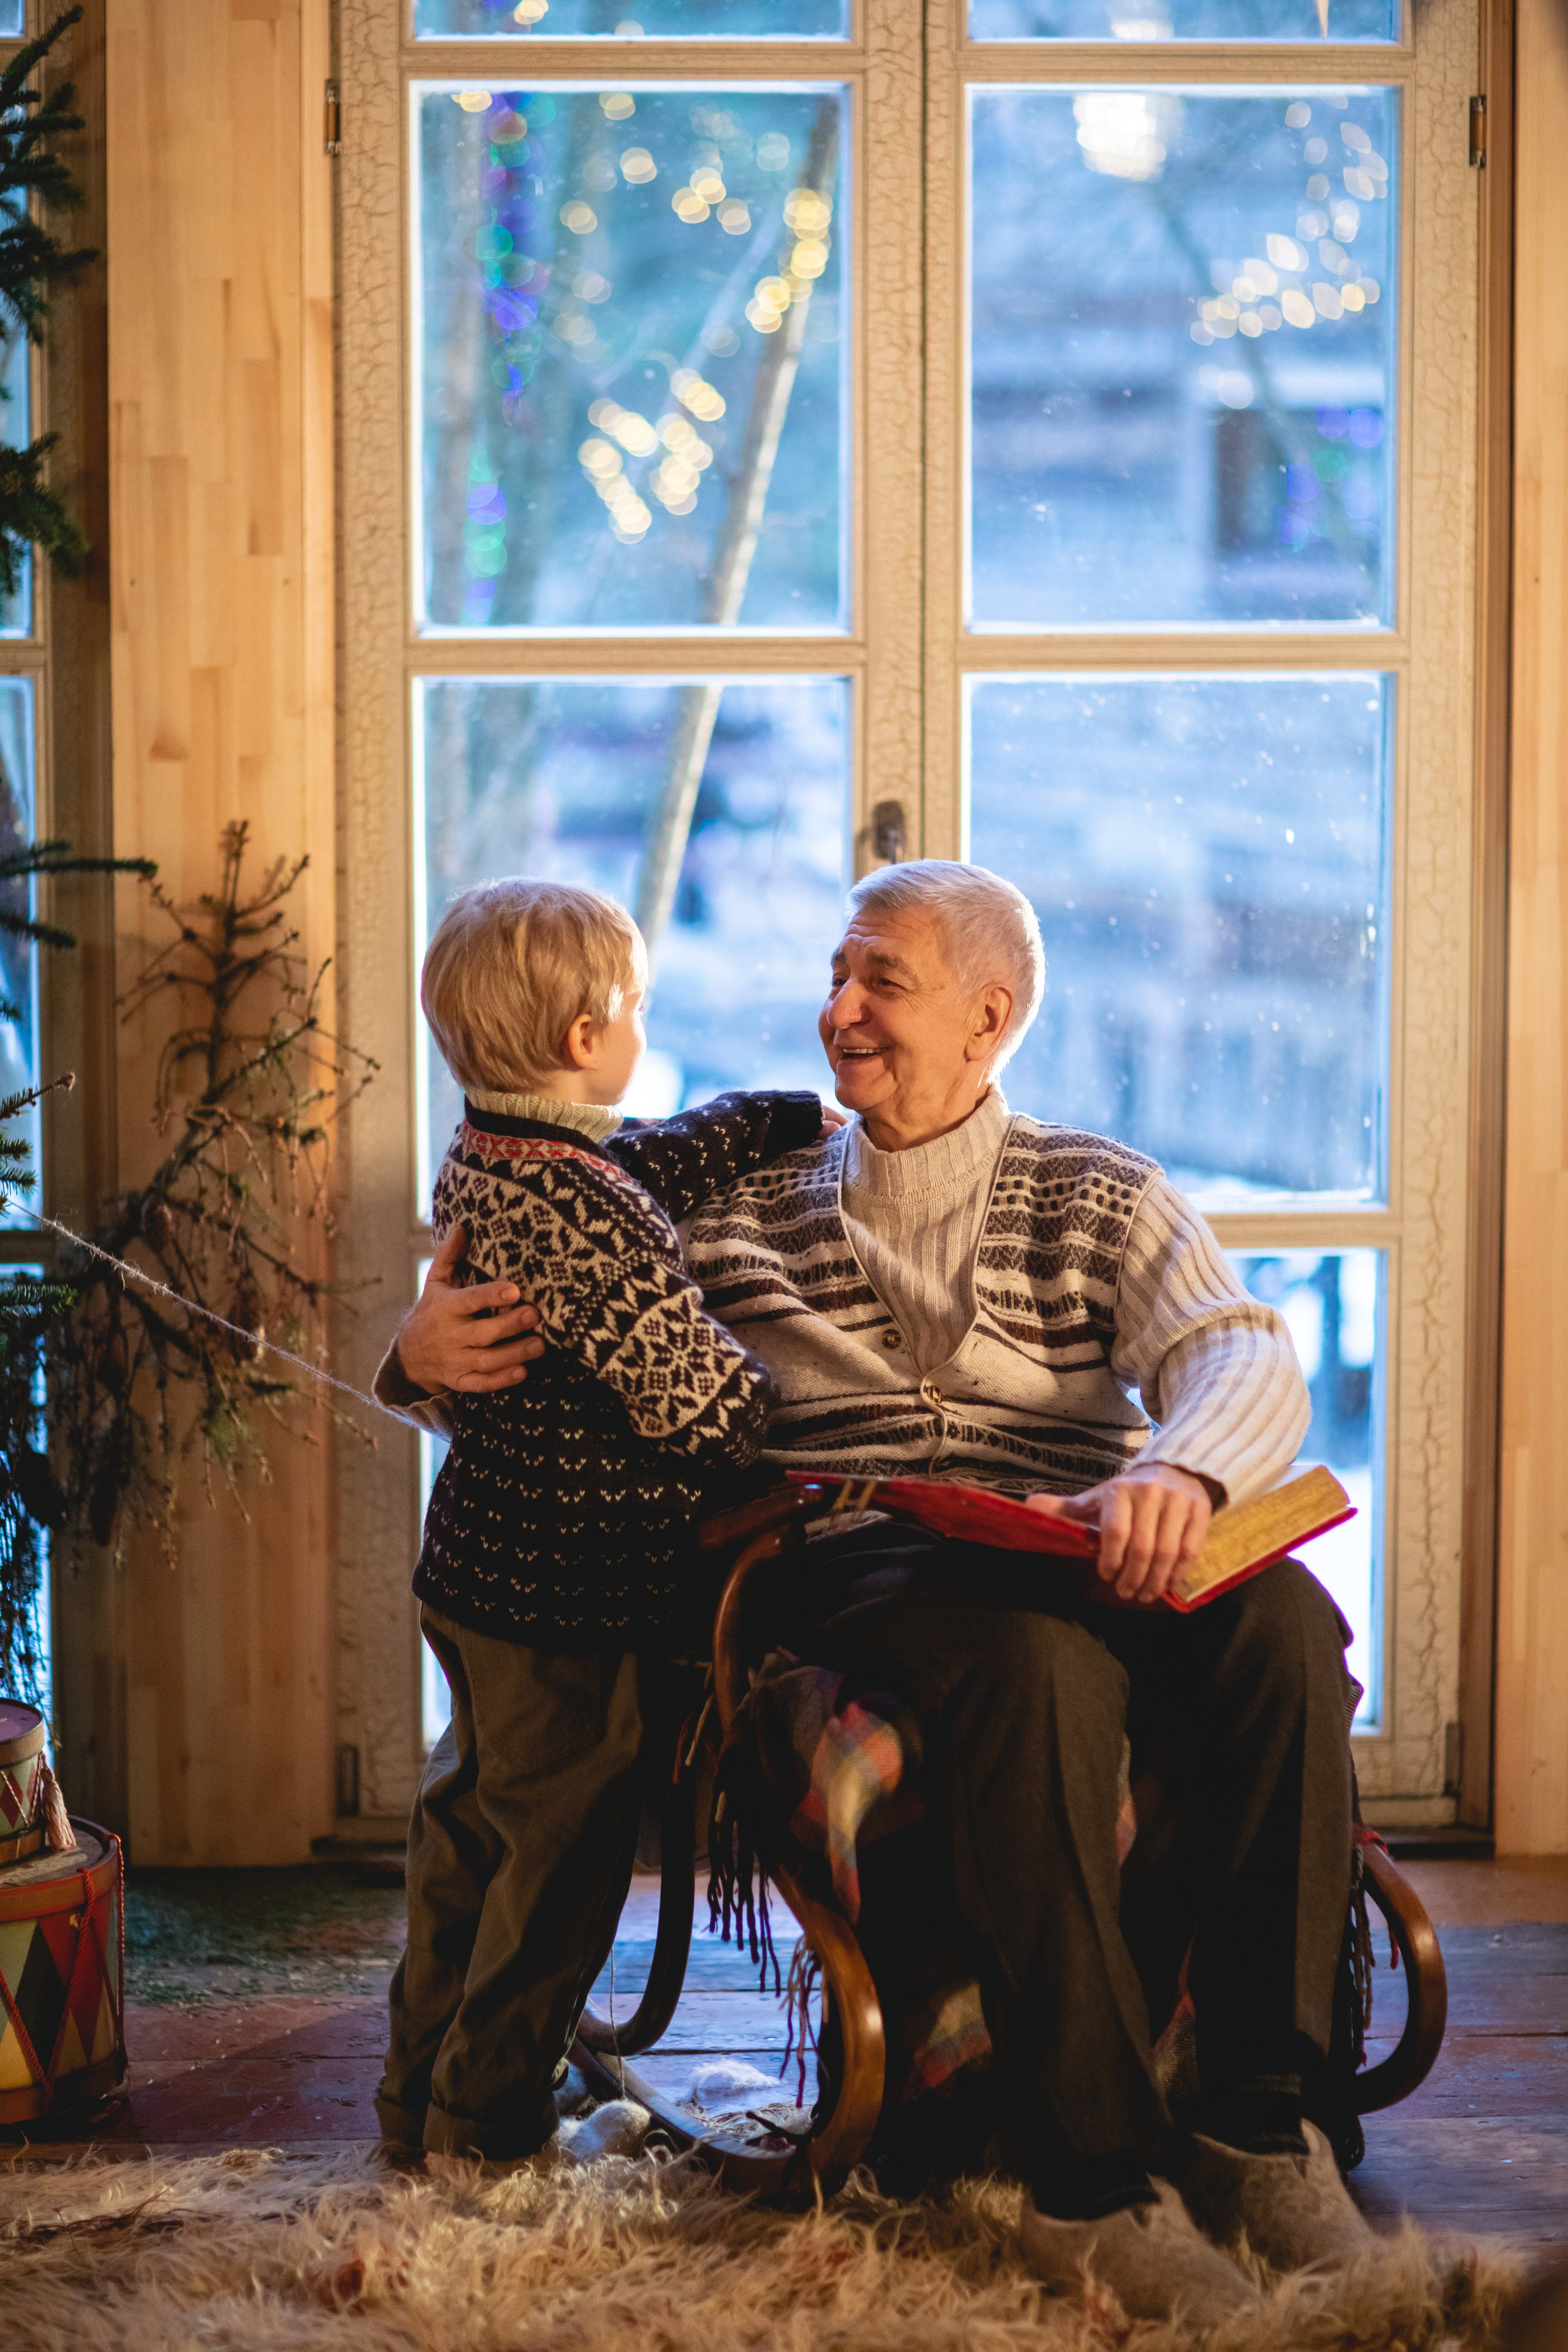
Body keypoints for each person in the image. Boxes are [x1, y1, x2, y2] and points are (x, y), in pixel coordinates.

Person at [380, 860, 1373, 2321]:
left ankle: (1257, 2118)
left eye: (878, 983)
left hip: (1089, 1528)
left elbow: (1234, 1349)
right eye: (835, 975)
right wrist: (416, 1356)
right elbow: (558, 1314)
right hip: (861, 1554)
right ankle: (1085, 2173)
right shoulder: (726, 1201)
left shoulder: (1095, 1190)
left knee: (1285, 1625)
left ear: (989, 1016)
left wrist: (1182, 1476)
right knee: (1033, 1663)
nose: (835, 1011)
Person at [374, 876, 826, 2162]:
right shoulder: (601, 1215)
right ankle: (494, 2123)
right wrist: (790, 1422)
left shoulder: (492, 1156)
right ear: (586, 1037)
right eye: (636, 1007)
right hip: (564, 1601)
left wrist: (768, 1116)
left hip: (470, 1572)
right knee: (559, 1869)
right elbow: (695, 1404)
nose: (642, 1026)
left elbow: (635, 1158)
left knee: (466, 1834)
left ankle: (418, 2093)